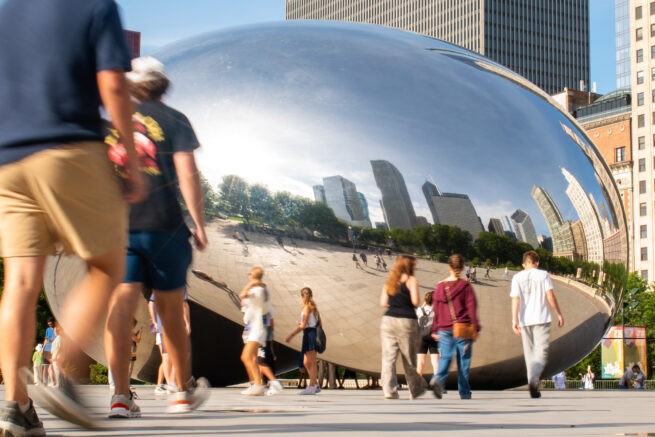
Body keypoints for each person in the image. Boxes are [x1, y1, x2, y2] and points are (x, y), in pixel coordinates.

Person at [0, 1, 147, 432]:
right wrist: (132, 162)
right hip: (69, 148)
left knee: (21, 282)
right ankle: (64, 374)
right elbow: (114, 86)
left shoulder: (8, 11)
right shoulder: (95, 5)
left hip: (8, 160)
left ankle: (17, 407)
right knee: (108, 265)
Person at [104, 55, 208, 417]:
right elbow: (188, 175)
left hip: (119, 229)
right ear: (164, 85)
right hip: (166, 226)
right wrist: (199, 223)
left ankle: (120, 395)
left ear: (132, 85)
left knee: (120, 307)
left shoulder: (112, 122)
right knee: (171, 312)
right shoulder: (176, 120)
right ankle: (180, 391)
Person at [511, 250, 564, 399]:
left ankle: (532, 382)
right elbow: (550, 295)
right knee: (540, 351)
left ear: (523, 264)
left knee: (529, 354)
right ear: (537, 263)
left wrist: (514, 320)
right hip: (541, 318)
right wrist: (559, 314)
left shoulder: (517, 277)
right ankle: (534, 381)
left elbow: (515, 300)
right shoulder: (543, 275)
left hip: (524, 320)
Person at [430, 254, 480, 400]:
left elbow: (436, 310)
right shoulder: (465, 286)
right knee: (463, 362)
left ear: (449, 267)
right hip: (463, 328)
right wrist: (475, 327)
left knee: (445, 357)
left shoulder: (440, 287)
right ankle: (464, 392)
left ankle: (438, 379)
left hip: (444, 329)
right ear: (463, 268)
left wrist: (434, 329)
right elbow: (471, 308)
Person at [379, 255, 427, 400]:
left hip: (388, 320)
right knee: (409, 358)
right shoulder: (411, 281)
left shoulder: (389, 282)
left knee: (388, 358)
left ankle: (389, 390)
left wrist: (395, 303)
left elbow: (383, 303)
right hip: (406, 321)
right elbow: (415, 302)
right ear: (409, 266)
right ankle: (414, 390)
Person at [239, 267, 270, 396]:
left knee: (246, 357)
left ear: (253, 275)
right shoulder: (260, 290)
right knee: (251, 357)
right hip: (253, 326)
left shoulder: (258, 290)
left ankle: (257, 384)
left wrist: (251, 284)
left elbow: (242, 296)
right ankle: (255, 384)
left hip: (256, 328)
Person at [286, 287, 322, 395]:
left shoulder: (307, 308)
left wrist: (291, 335)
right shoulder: (314, 308)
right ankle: (314, 383)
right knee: (306, 362)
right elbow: (320, 323)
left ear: (302, 297)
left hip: (310, 334)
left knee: (312, 361)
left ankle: (311, 387)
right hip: (310, 333)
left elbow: (303, 325)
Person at [258, 305, 283, 396]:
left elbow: (268, 323)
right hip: (263, 337)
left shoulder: (264, 308)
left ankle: (273, 382)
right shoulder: (266, 307)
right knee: (259, 362)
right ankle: (257, 384)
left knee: (260, 362)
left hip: (262, 337)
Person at [416, 292, 439, 376]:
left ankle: (417, 383)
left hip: (422, 336)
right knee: (435, 361)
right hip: (433, 335)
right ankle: (437, 382)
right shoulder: (436, 311)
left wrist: (424, 304)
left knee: (420, 362)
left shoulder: (419, 310)